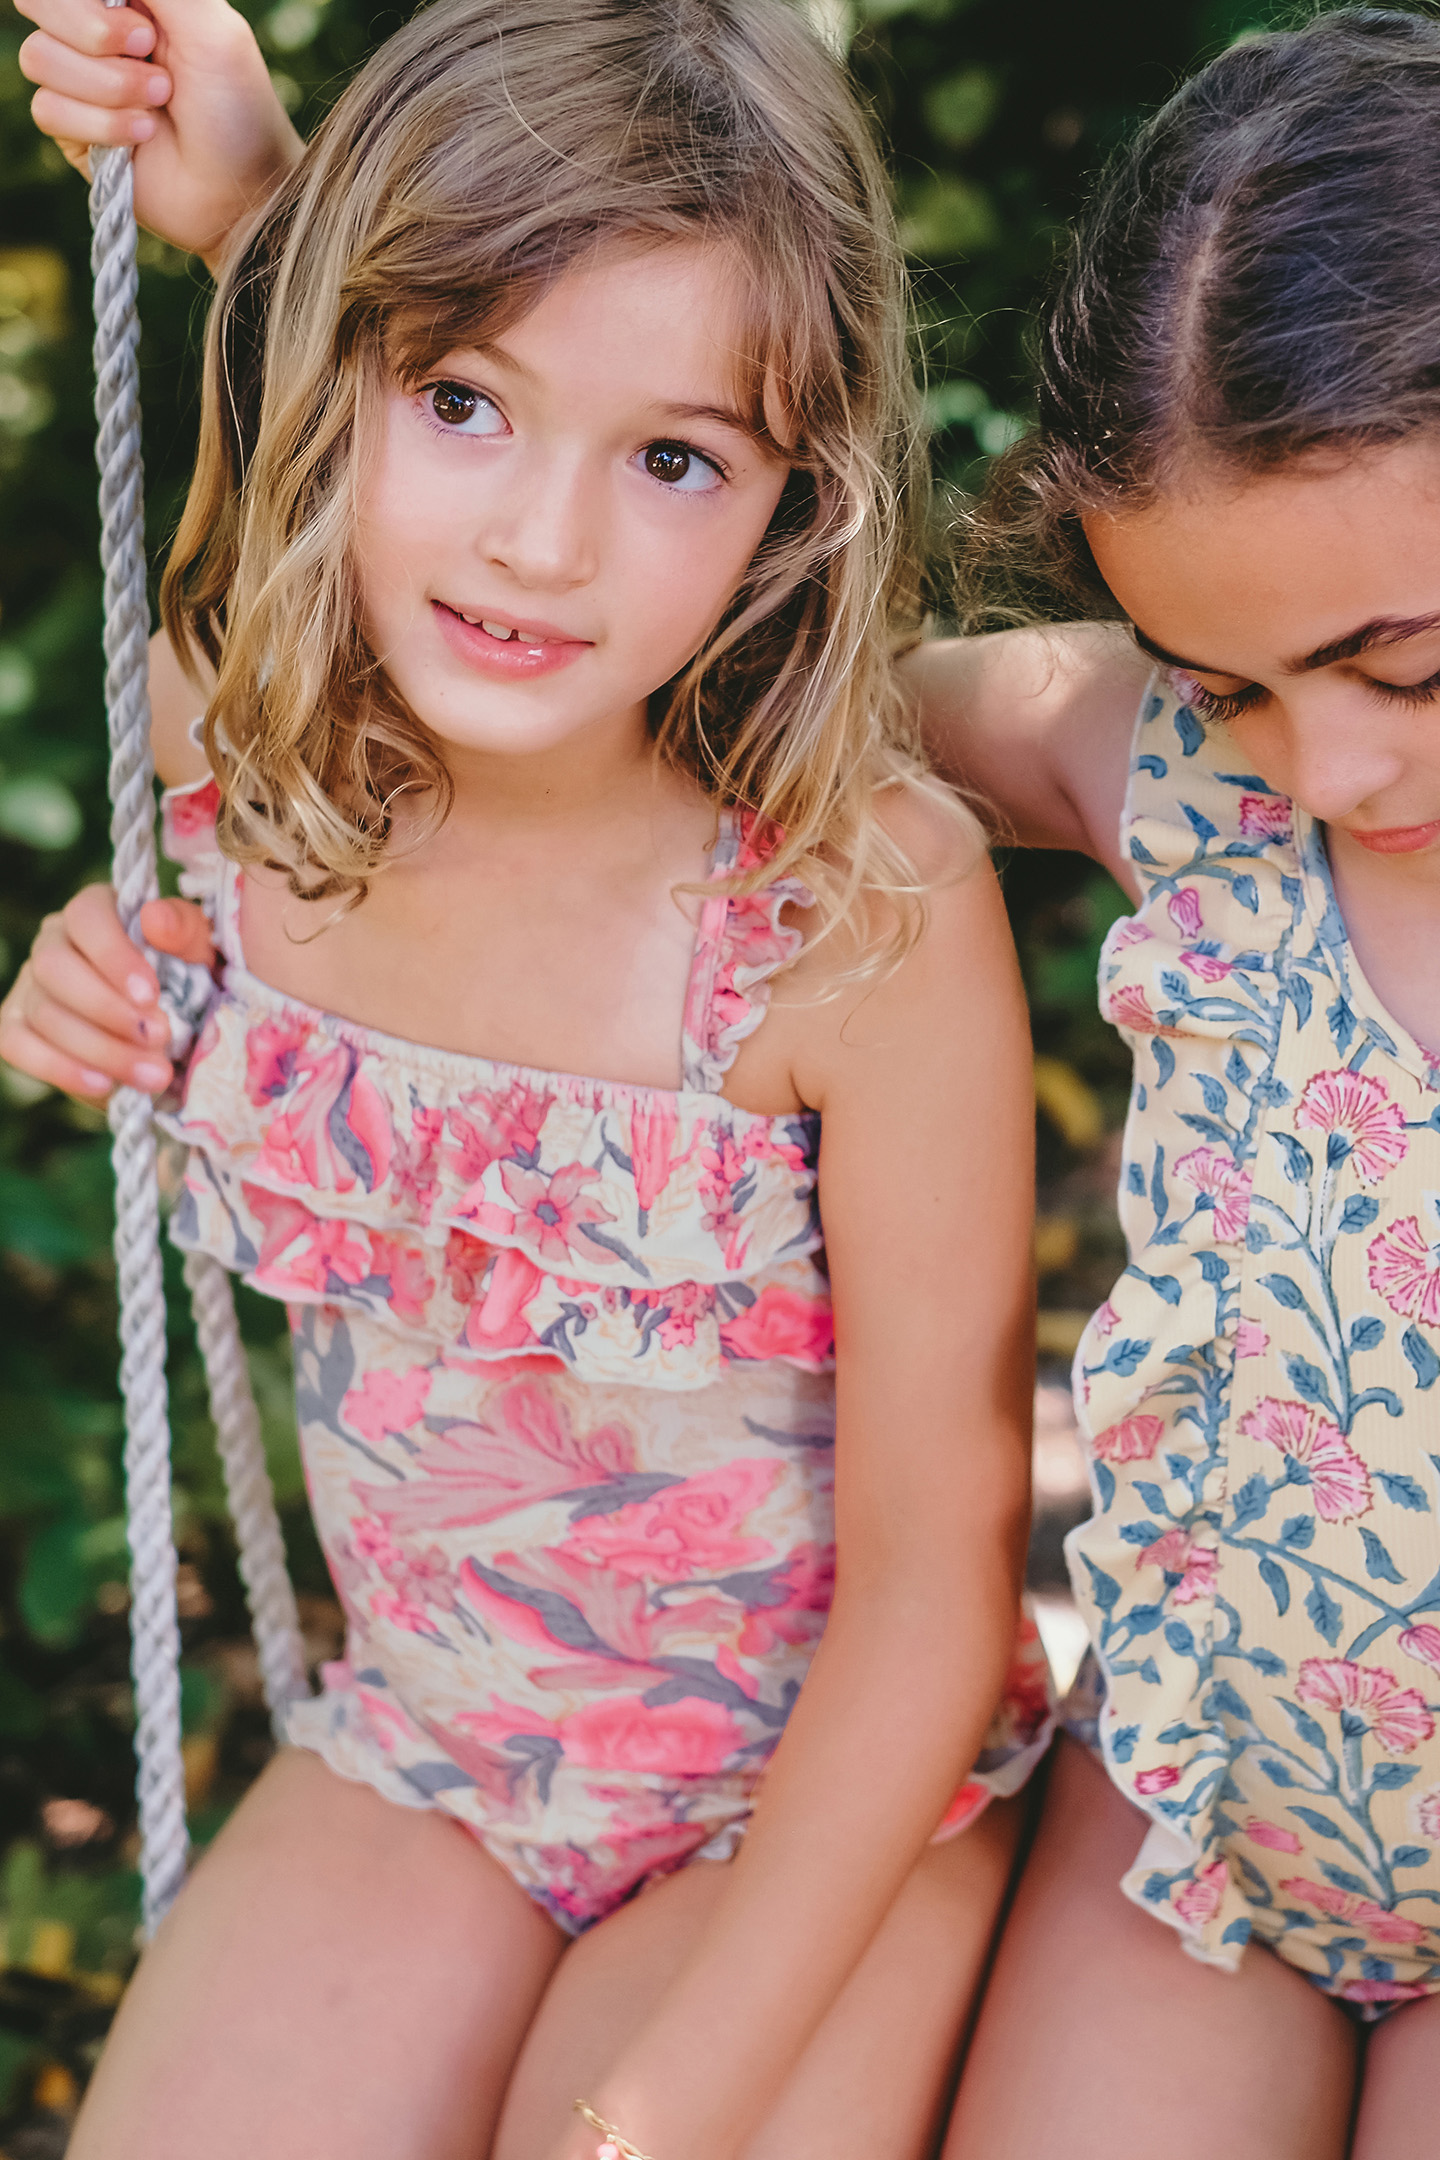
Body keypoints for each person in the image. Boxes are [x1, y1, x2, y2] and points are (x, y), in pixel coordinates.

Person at [0, 3, 1050, 2157]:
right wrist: (88, 984)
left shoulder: (853, 928)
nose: (541, 544)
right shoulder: (264, 771)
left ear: (794, 501)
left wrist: (673, 2097)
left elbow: (938, 1593)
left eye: (675, 459)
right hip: (443, 1752)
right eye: (467, 407)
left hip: (824, 1797)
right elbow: (331, 385)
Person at [905, 10, 1440, 2155]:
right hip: (1207, 1838)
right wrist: (310, 246)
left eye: (1406, 665)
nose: (1321, 770)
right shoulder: (1160, 771)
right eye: (1229, 678)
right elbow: (651, 662)